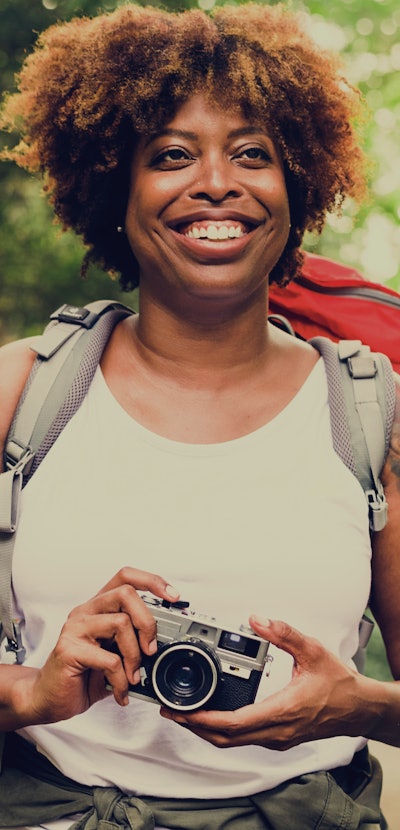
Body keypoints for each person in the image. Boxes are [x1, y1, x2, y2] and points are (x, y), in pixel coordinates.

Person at [0, 3, 399, 829]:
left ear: (298, 188)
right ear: (114, 187)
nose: (217, 181)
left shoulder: (372, 413)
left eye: (252, 153)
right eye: (172, 155)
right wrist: (29, 693)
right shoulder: (21, 393)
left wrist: (353, 706)